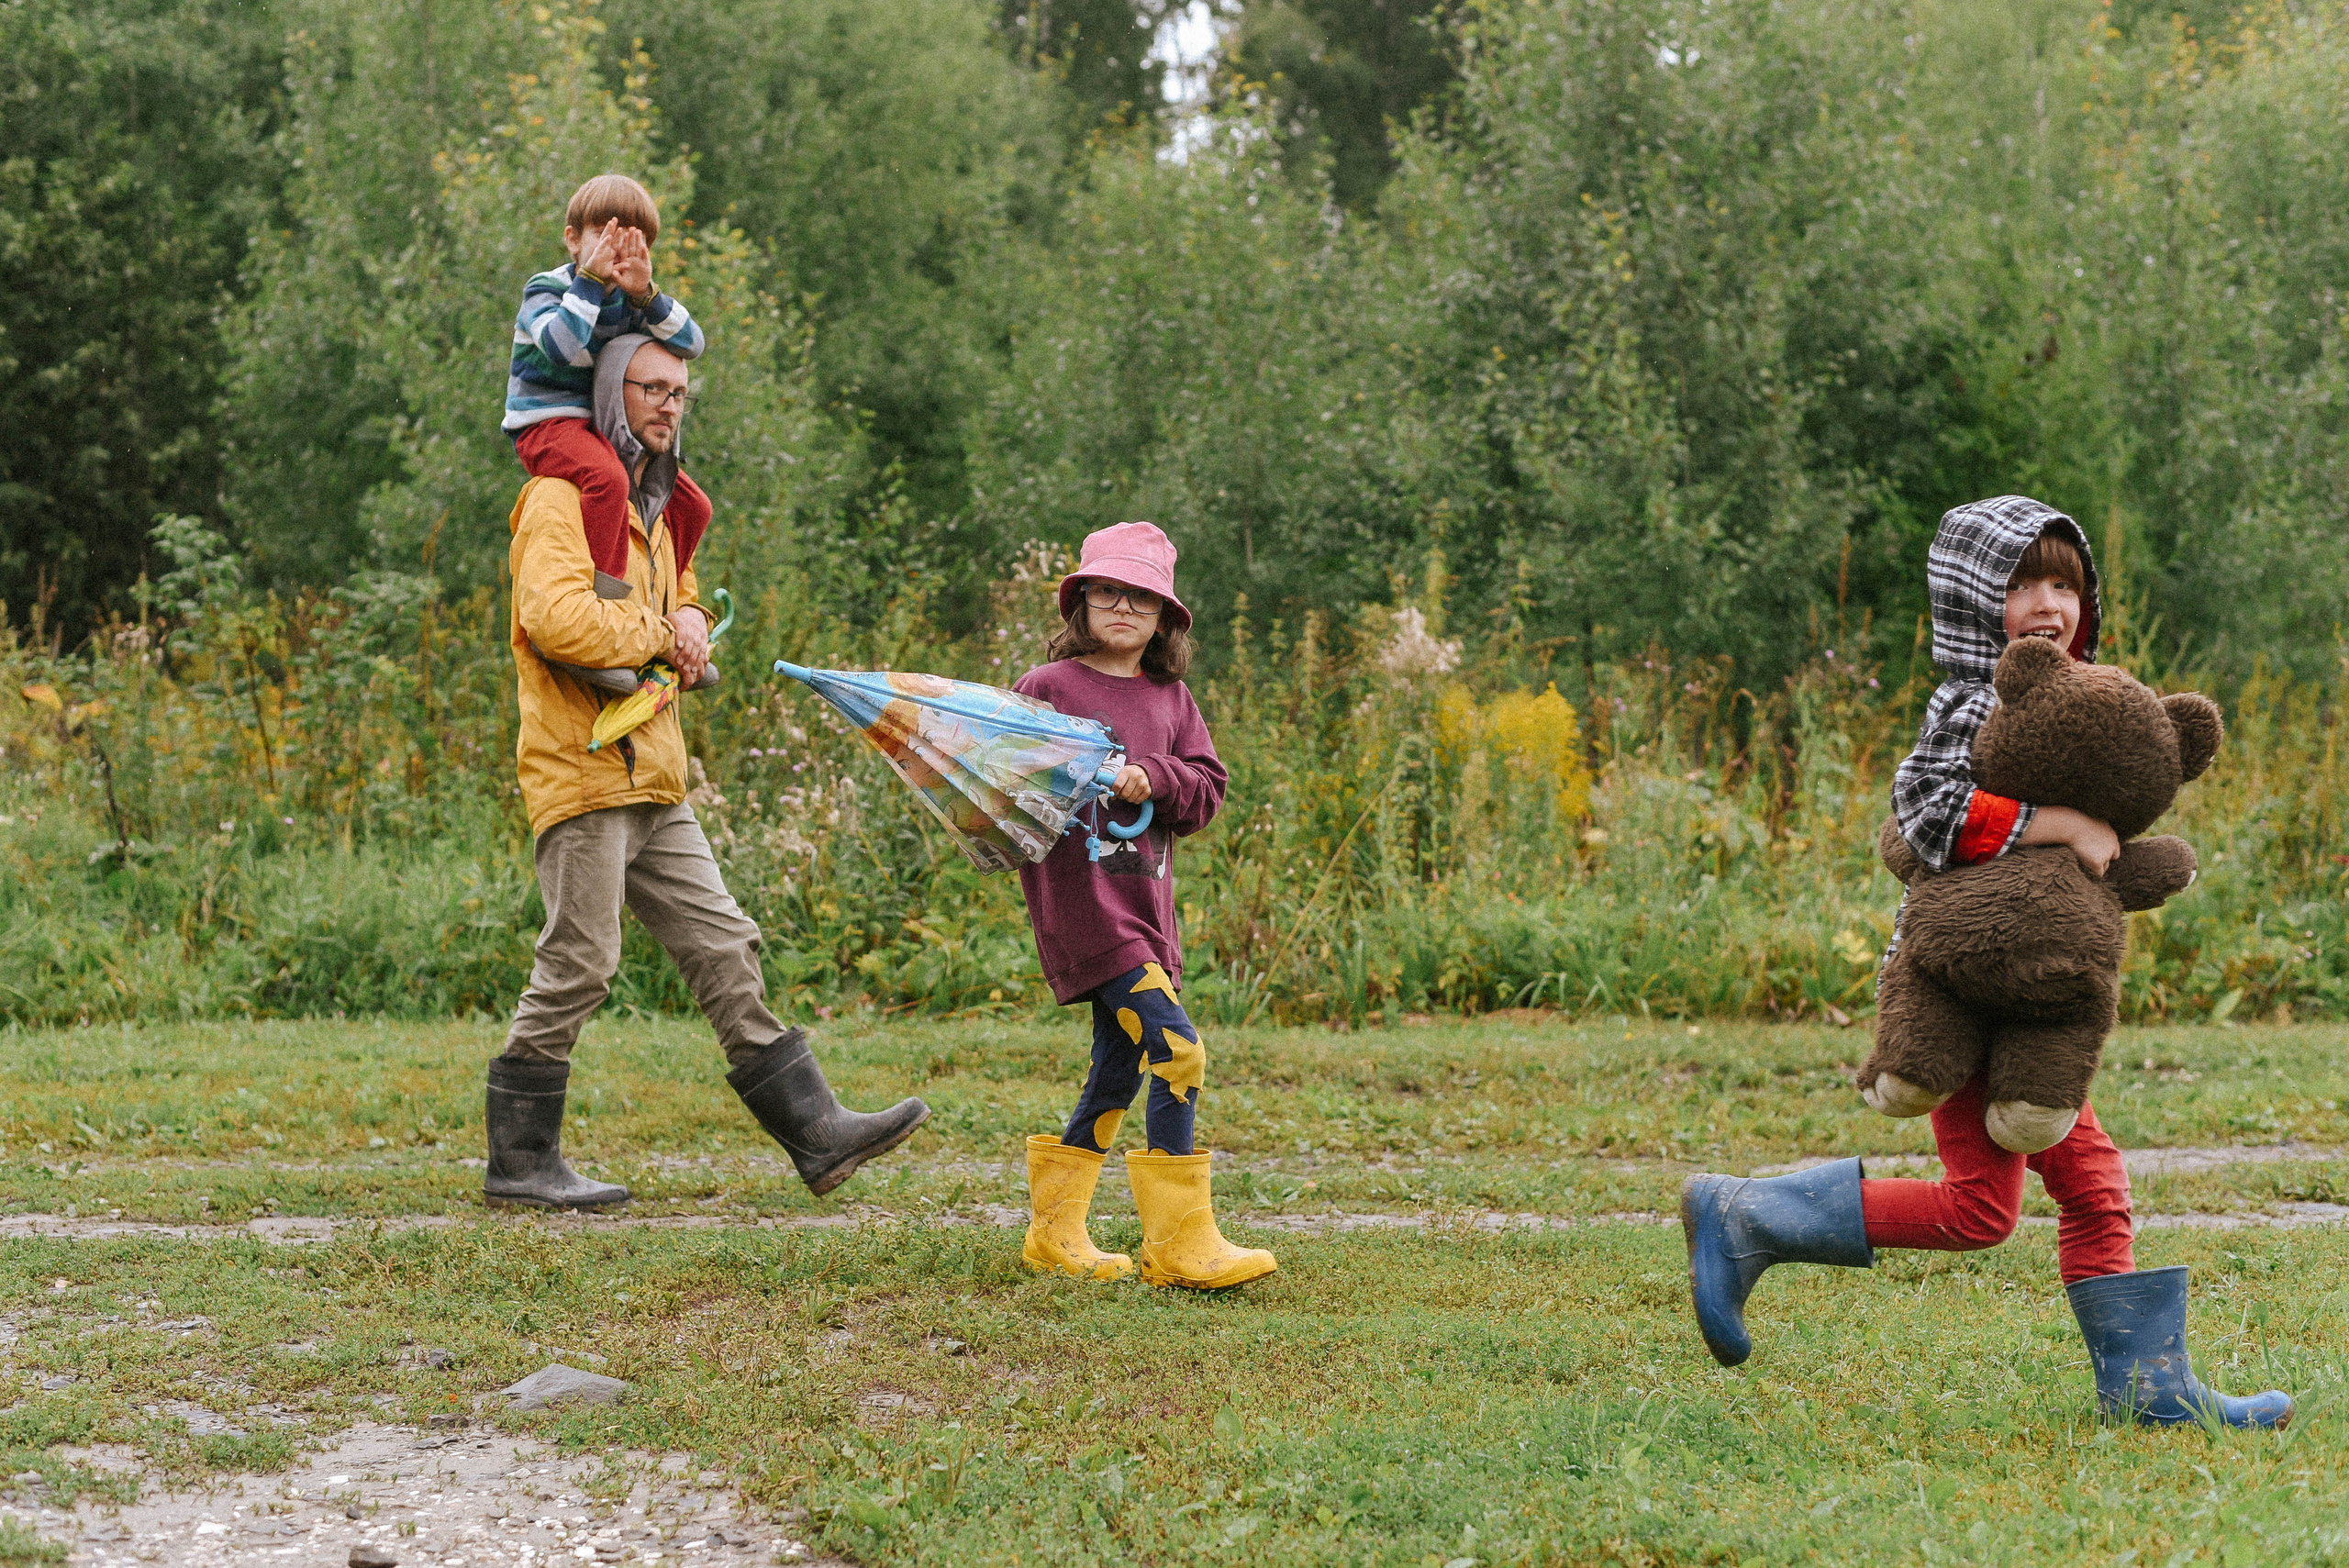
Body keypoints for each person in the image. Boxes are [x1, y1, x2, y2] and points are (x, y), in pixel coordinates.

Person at [1680, 495, 2291, 1429]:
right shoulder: (1969, 701)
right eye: (2021, 582)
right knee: (2044, 1191)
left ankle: (2147, 1388)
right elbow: (1921, 816)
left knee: (2009, 1202)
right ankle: (1745, 1216)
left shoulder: (2063, 701)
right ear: (1972, 598)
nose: (2049, 603)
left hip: (2026, 995)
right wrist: (2065, 824)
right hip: (1964, 990)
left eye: (2065, 584)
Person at [484, 332, 929, 1210]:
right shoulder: (557, 498)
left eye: (680, 392)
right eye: (650, 388)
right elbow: (559, 620)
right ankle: (521, 1162)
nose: (668, 404)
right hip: (583, 770)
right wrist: (662, 634)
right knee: (582, 961)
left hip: (654, 773)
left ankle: (816, 1133)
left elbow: (677, 594)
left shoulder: (655, 505)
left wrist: (684, 620)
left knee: (724, 941)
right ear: (612, 393)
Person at [1009, 522, 1275, 1290]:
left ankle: (1054, 1233)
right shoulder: (1047, 689)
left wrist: (1152, 777)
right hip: (1086, 911)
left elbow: (1205, 791)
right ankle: (1180, 1243)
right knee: (1181, 1052)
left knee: (1116, 1073)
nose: (1123, 607)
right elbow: (1005, 786)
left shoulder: (1172, 698)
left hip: (1147, 914)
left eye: (1142, 597)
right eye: (1108, 591)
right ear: (1082, 602)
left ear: (1164, 618)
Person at [504, 173, 711, 594]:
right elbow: (560, 346)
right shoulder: (548, 289)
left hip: (600, 429)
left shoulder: (631, 301)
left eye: (632, 241)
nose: (615, 251)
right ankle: (607, 593)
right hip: (546, 424)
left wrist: (647, 296)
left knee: (693, 505)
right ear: (573, 240)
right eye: (604, 235)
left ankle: (664, 593)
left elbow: (693, 344)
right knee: (609, 481)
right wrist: (591, 283)